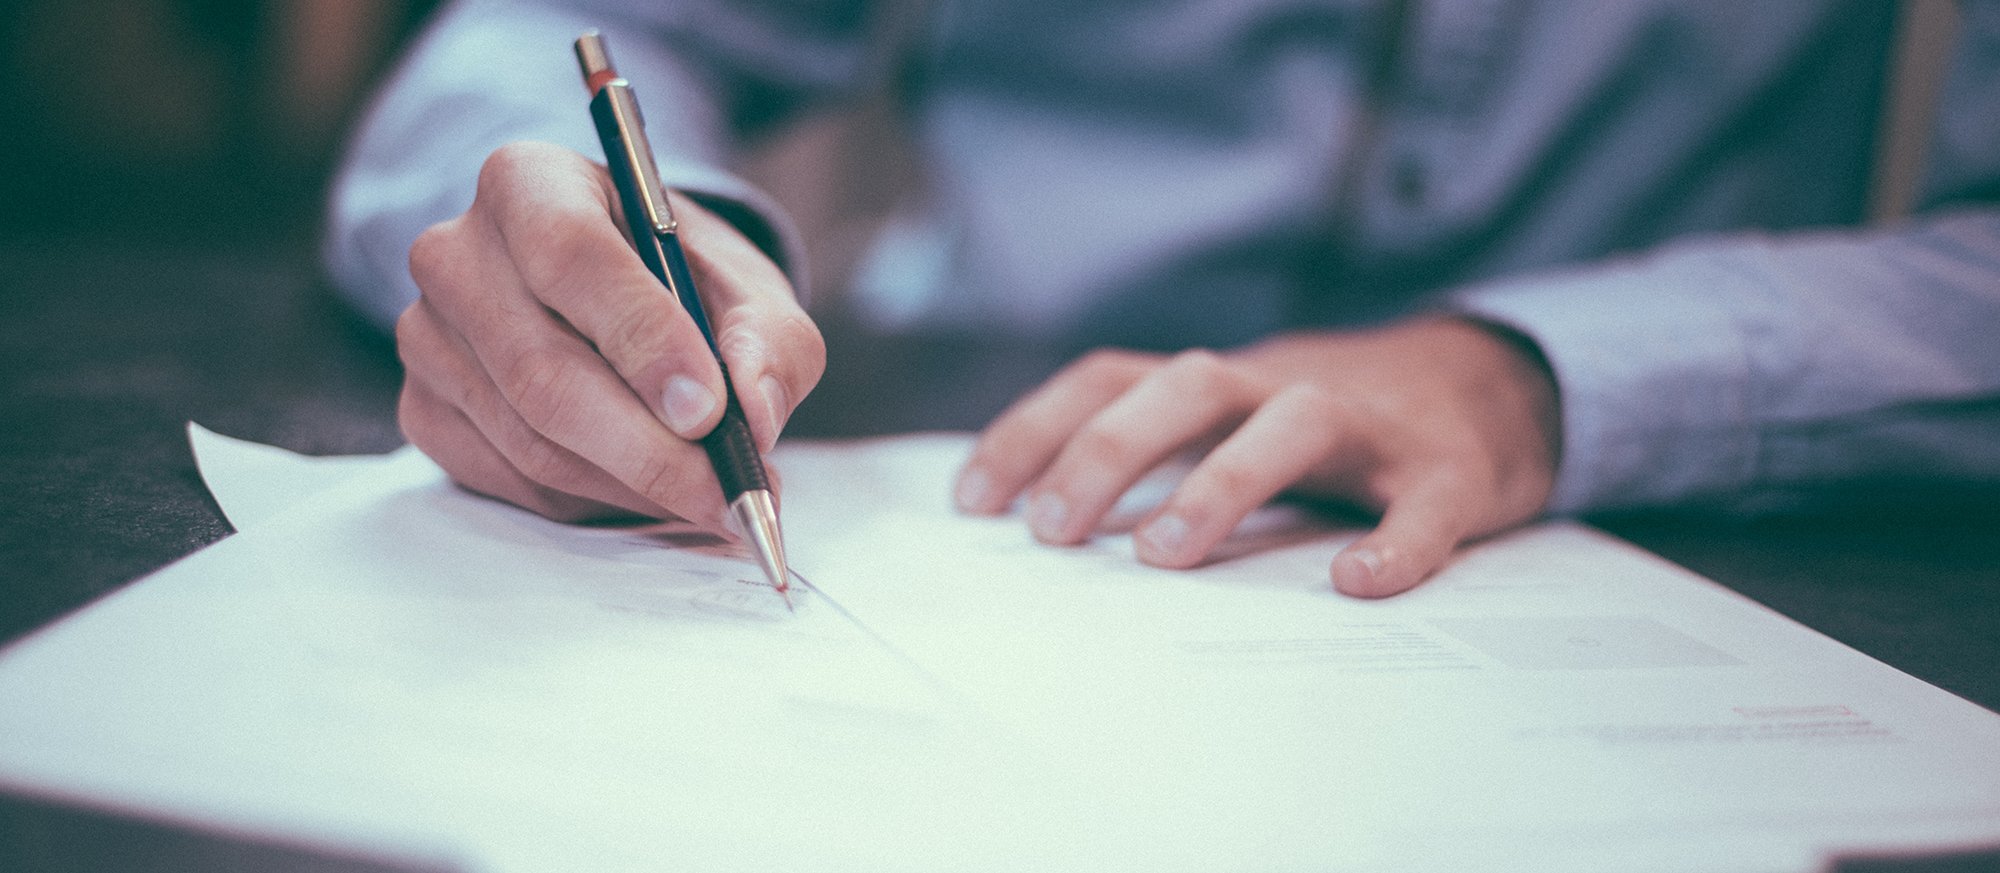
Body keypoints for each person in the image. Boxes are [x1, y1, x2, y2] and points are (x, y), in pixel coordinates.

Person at [326, 0, 2000, 597]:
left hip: (1664, 514)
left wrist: (1534, 375)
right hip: (967, 462)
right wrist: (600, 240)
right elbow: (554, 31)